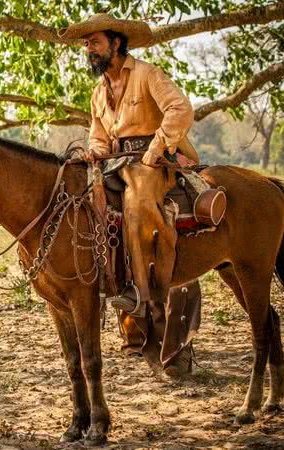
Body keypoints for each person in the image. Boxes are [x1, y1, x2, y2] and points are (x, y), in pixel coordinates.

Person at [64, 14, 202, 376]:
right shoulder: (98, 92)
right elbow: (98, 134)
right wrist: (93, 150)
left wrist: (156, 148)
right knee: (87, 207)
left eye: (94, 42)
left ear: (116, 43)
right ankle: (115, 287)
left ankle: (142, 294)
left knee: (137, 204)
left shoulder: (147, 74)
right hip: (114, 162)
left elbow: (180, 108)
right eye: (86, 44)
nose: (88, 49)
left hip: (155, 160)